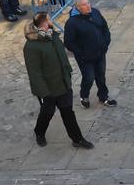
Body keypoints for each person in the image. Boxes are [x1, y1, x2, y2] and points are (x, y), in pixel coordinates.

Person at [23, 12, 93, 149]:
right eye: (49, 19)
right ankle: (39, 132)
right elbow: (34, 72)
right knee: (47, 113)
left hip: (63, 85)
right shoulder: (32, 47)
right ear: (44, 23)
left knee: (68, 113)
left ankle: (77, 139)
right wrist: (44, 92)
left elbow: (63, 59)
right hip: (48, 90)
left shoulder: (54, 37)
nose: (51, 20)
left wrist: (67, 75)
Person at [62, 0, 116, 109]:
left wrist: (105, 44)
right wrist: (81, 54)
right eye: (84, 5)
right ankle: (84, 96)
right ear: (77, 7)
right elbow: (68, 42)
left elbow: (105, 28)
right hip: (85, 57)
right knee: (89, 78)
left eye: (88, 3)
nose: (88, 6)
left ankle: (103, 97)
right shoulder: (72, 22)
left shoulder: (95, 12)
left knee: (101, 76)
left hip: (100, 53)